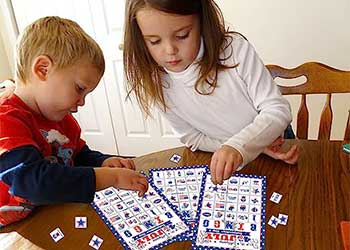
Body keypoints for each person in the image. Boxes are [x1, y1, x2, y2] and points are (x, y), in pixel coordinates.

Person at [123, 0, 299, 185]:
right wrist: (245, 147)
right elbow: (193, 139)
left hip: (273, 139)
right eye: (154, 41)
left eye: (182, 35)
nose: (170, 51)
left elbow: (277, 109)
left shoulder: (234, 49)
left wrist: (242, 146)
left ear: (202, 23)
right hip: (246, 151)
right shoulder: (156, 82)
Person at [0, 16, 148, 227]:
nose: (82, 102)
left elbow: (76, 156)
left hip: (44, 213)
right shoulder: (6, 121)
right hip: (9, 228)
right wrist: (111, 177)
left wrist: (102, 162)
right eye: (79, 89)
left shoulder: (61, 118)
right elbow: (32, 183)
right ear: (43, 69)